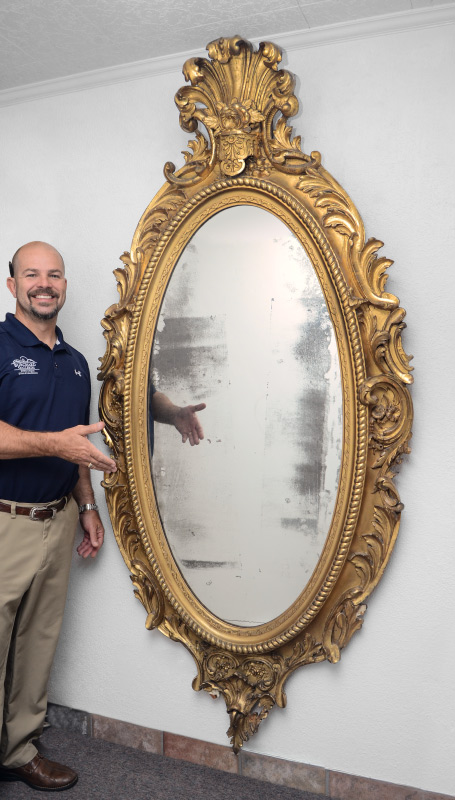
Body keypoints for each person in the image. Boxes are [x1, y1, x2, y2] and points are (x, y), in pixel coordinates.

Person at [0, 241, 205, 792]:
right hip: (4, 521)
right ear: (12, 284)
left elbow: (80, 445)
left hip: (58, 518)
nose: (45, 284)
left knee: (38, 642)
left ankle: (18, 750)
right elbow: (51, 442)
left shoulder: (74, 364)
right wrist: (57, 447)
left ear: (65, 285)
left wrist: (87, 507)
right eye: (32, 274)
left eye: (55, 275)